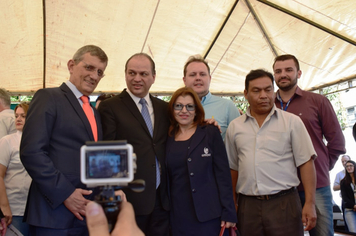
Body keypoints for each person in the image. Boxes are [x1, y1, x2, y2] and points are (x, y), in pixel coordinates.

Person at [20, 45, 108, 236]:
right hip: (54, 215)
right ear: (71, 65)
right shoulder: (48, 97)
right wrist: (66, 193)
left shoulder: (94, 112)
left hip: (87, 216)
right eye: (89, 67)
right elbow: (32, 152)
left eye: (100, 72)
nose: (94, 76)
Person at [225, 69, 317, 236]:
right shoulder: (235, 127)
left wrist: (310, 203)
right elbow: (233, 168)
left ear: (274, 92)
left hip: (285, 203)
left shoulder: (291, 122)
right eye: (256, 90)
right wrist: (233, 203)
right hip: (248, 206)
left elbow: (306, 163)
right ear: (245, 94)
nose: (263, 95)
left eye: (268, 90)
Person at [273, 54, 346, 236]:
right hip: (279, 186)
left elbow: (337, 142)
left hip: (316, 187)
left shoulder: (317, 101)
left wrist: (320, 166)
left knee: (322, 233)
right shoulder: (267, 105)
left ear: (298, 73)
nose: (283, 74)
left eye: (288, 70)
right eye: (278, 71)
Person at [98, 53, 170, 236]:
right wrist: (115, 190)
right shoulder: (111, 107)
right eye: (132, 73)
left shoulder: (164, 108)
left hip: (163, 201)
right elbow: (106, 151)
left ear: (153, 77)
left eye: (144, 74)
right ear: (125, 74)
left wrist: (207, 123)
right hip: (130, 200)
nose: (137, 78)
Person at [166, 87, 236, 235]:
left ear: (197, 109)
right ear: (172, 109)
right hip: (178, 216)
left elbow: (222, 175)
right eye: (178, 106)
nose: (184, 110)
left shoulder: (209, 132)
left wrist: (228, 211)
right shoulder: (167, 136)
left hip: (208, 215)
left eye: (190, 106)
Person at [182, 55, 240, 140]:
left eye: (202, 74)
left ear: (209, 78)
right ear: (184, 80)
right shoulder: (176, 109)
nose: (198, 78)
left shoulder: (227, 106)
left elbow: (240, 141)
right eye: (193, 75)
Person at [0, 103, 31, 235]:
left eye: (23, 116)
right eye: (16, 116)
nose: (18, 119)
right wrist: (5, 207)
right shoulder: (7, 141)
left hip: (34, 210)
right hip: (14, 208)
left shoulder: (40, 142)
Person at [334, 154, 351, 231]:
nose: (344, 163)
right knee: (348, 222)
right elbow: (334, 187)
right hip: (345, 200)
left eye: (346, 161)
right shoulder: (339, 174)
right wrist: (345, 184)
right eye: (342, 162)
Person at [340, 160, 356, 233]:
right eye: (347, 166)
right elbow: (344, 197)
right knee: (352, 231)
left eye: (351, 166)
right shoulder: (343, 182)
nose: (349, 167)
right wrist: (353, 205)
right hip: (350, 210)